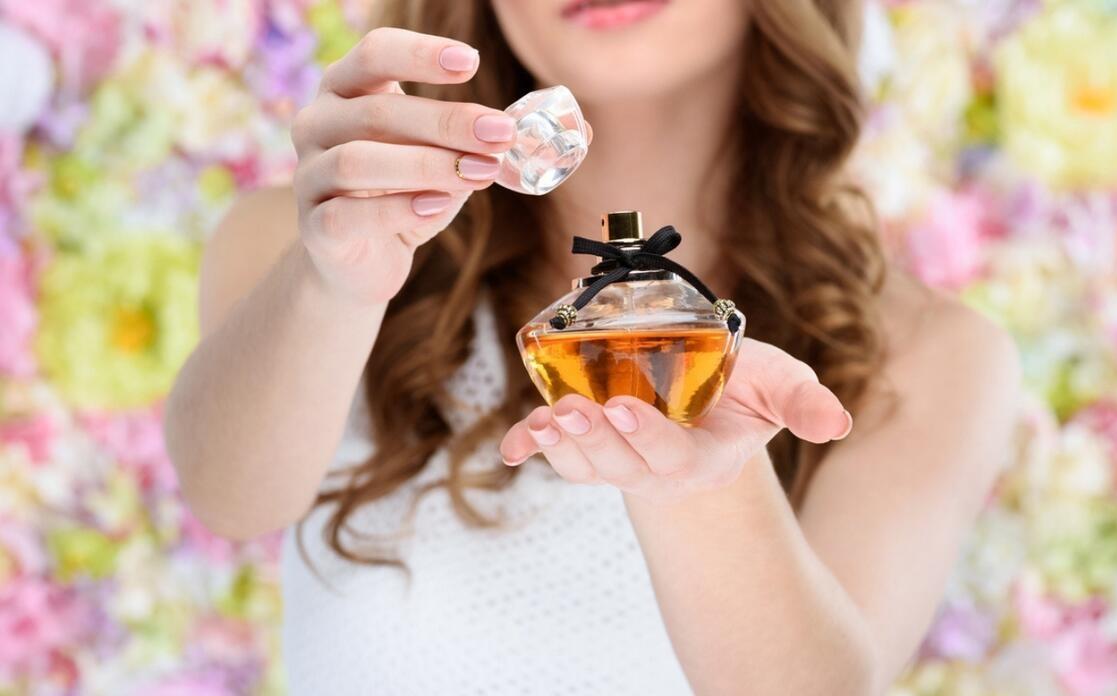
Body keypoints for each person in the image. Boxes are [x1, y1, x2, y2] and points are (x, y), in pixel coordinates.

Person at [164, 0, 1021, 693]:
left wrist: (698, 478)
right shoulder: (308, 237)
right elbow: (232, 498)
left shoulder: (927, 353)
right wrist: (333, 285)